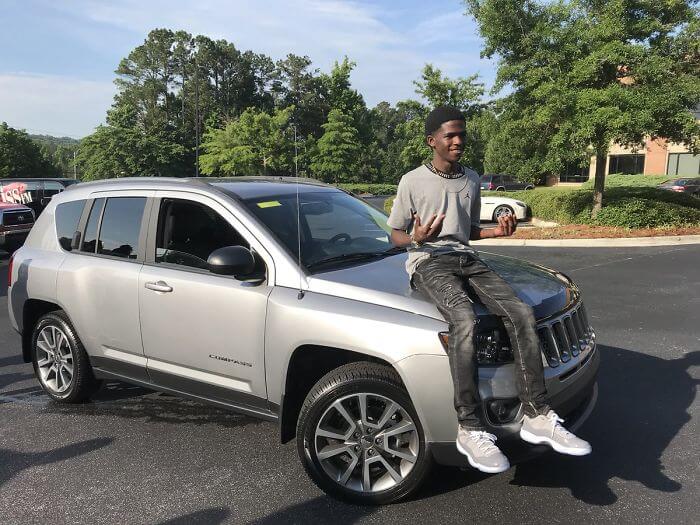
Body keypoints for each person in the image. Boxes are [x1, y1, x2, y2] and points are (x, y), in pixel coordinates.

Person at [387, 106, 591, 474]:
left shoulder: (471, 179)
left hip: (467, 258)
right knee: (464, 318)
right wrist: (415, 237)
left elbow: (467, 232)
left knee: (521, 312)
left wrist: (497, 231)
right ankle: (469, 425)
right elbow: (395, 235)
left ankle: (536, 414)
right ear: (431, 140)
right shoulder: (412, 181)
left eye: (462, 134)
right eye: (450, 135)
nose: (458, 141)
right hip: (429, 262)